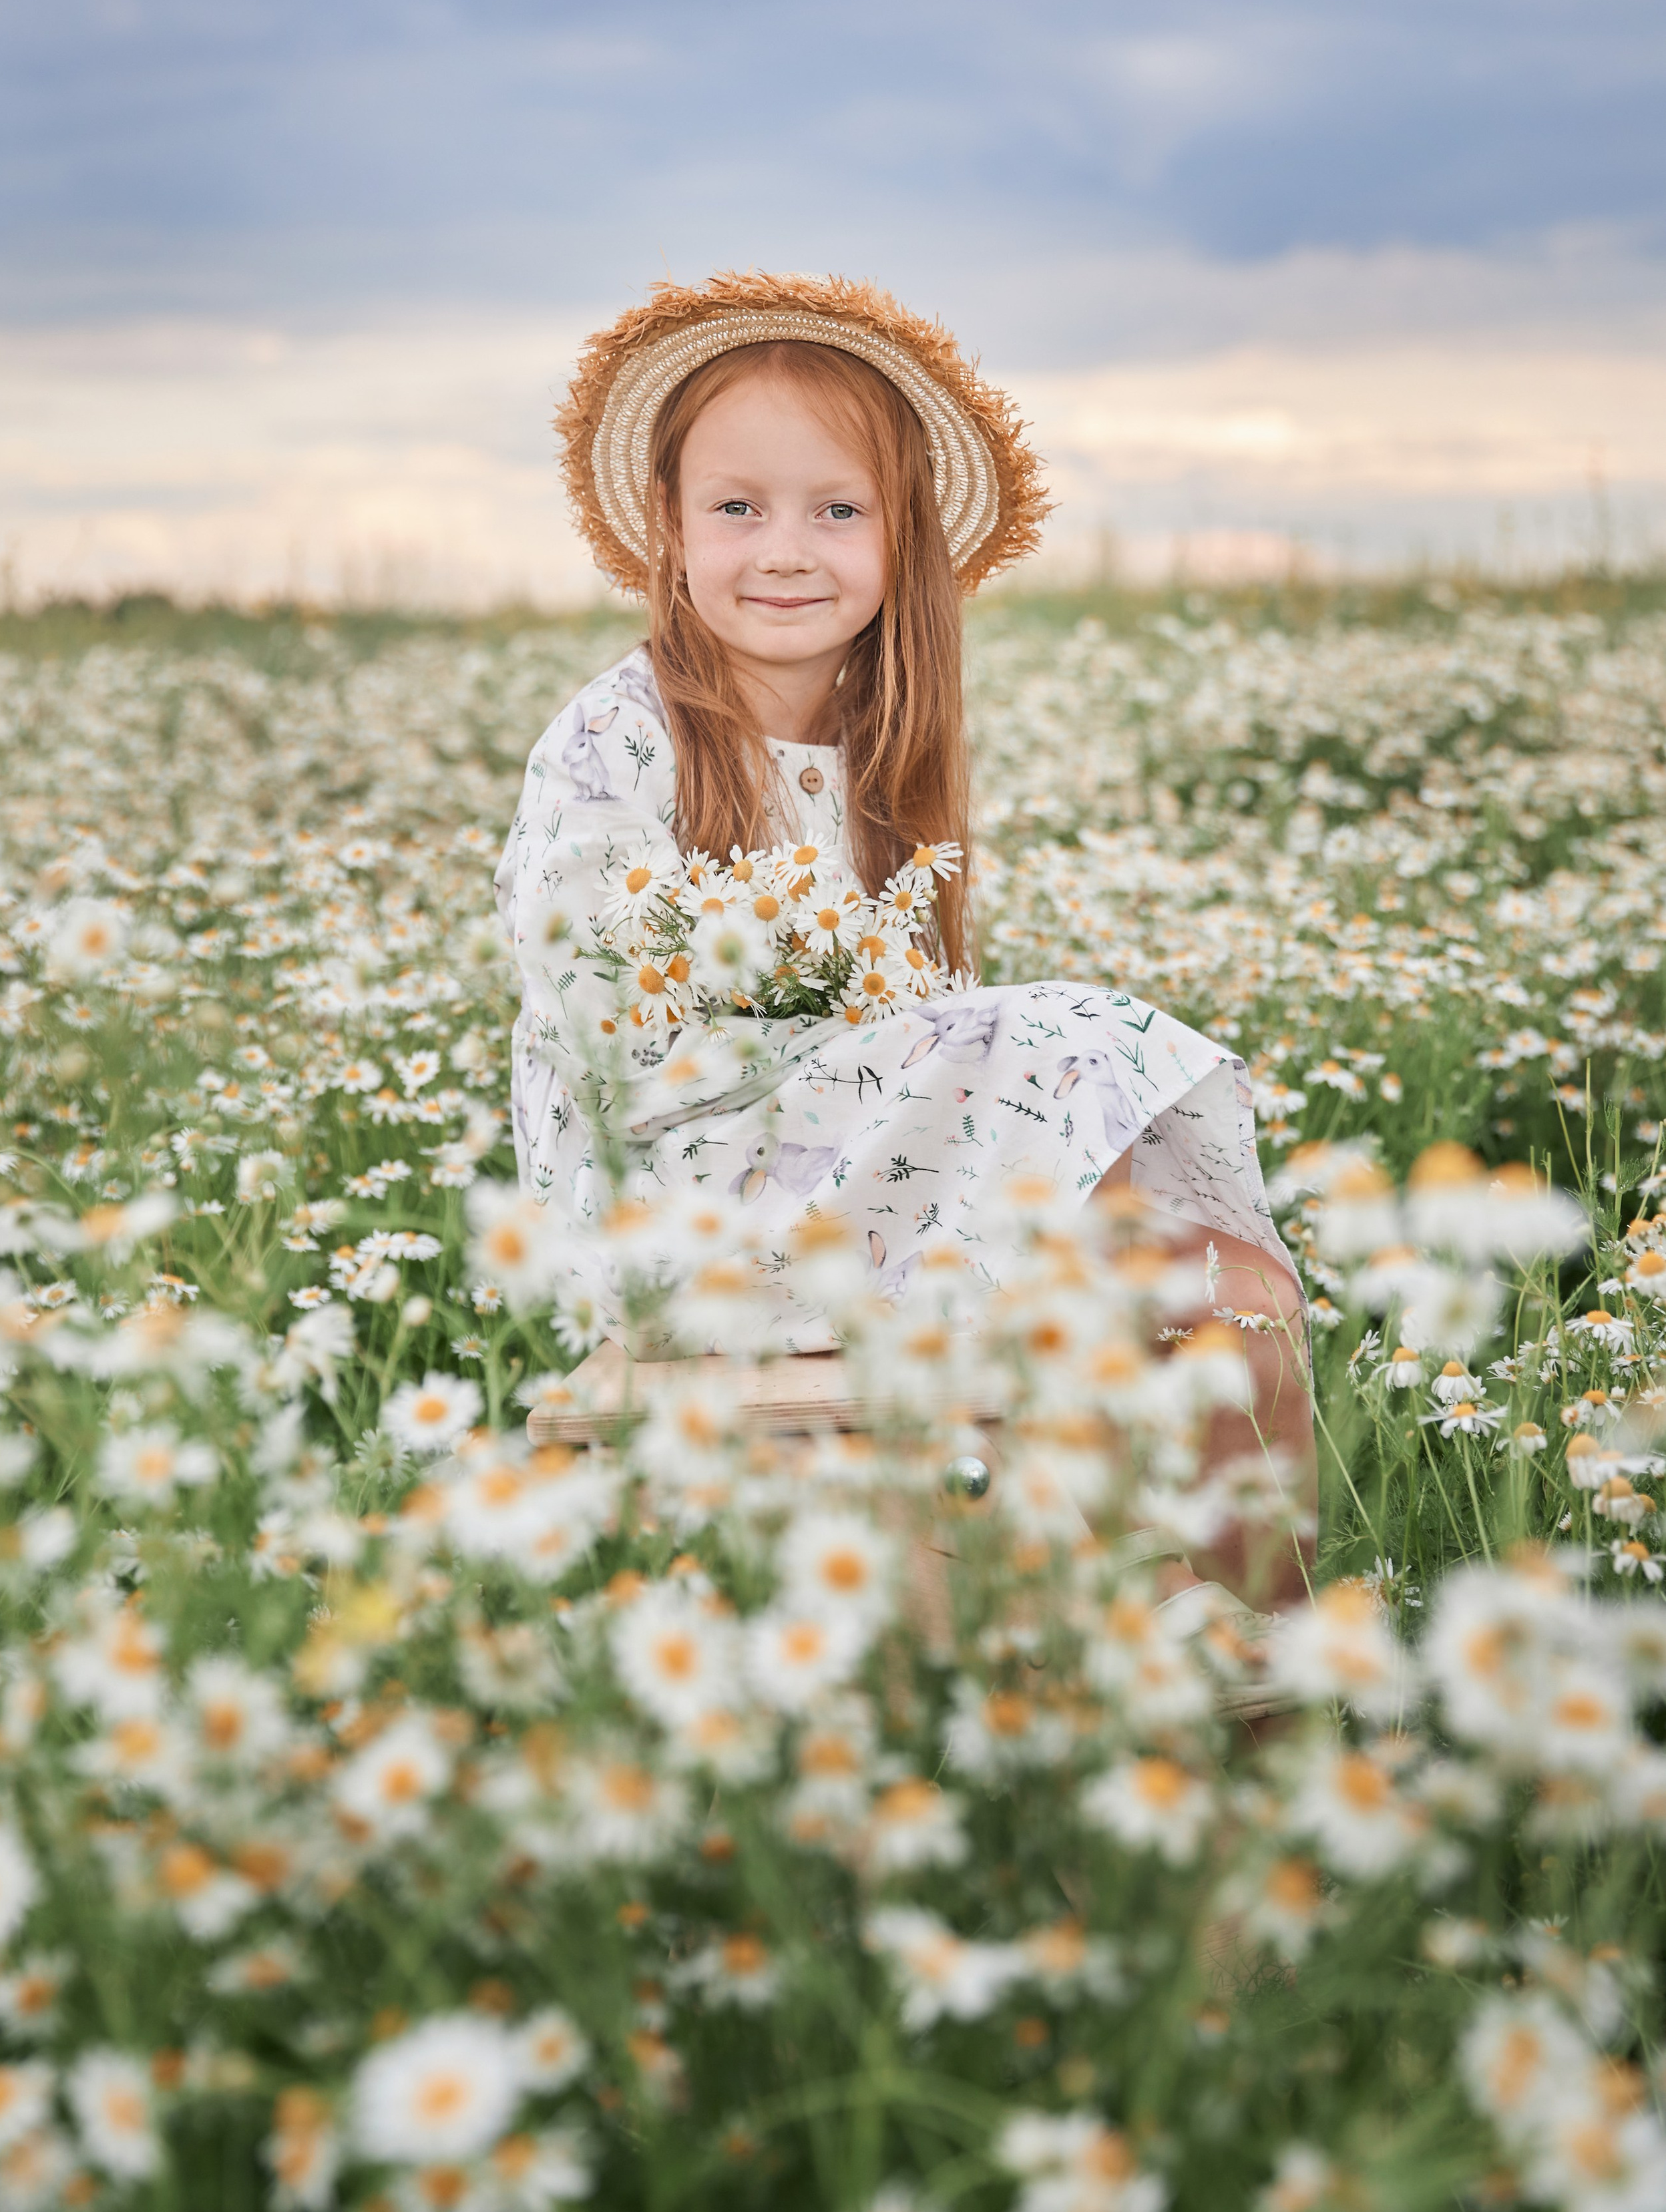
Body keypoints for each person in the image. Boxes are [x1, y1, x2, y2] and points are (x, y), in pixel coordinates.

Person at [495, 272, 1313, 1604]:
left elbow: (923, 1030)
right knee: (1058, 1035)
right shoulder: (617, 734)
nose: (783, 550)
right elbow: (595, 1018)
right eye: (737, 507)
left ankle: (1258, 1666)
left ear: (899, 535)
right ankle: (1145, 1612)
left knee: (1240, 1298)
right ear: (669, 523)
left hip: (868, 1169)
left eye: (836, 509)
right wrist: (774, 969)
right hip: (688, 1196)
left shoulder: (885, 754)